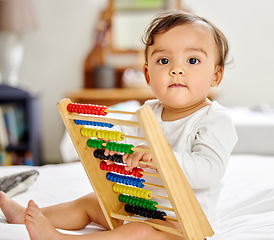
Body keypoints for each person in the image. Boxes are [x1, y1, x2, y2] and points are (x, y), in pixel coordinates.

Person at [0, 10, 237, 240]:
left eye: (193, 60)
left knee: (138, 233)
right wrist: (113, 147)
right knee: (92, 201)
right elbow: (125, 145)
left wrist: (159, 157)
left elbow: (208, 172)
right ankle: (25, 216)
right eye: (163, 60)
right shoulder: (146, 113)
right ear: (147, 75)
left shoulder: (215, 120)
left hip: (184, 227)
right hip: (143, 207)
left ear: (216, 75)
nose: (176, 69)